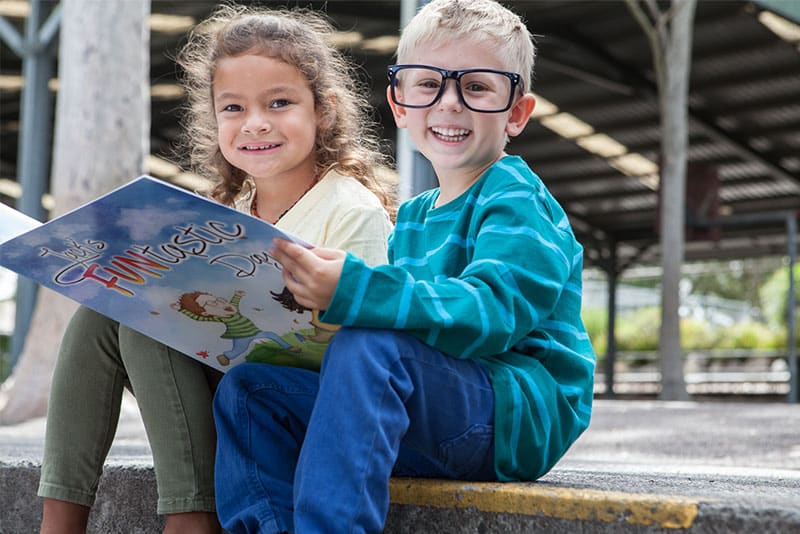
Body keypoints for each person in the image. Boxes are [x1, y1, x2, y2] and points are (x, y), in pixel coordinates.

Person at [212, 0, 596, 532]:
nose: (450, 104)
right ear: (399, 105)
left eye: (478, 88)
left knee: (372, 343)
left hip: (511, 415)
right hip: (442, 409)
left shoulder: (516, 197)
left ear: (516, 113)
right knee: (252, 388)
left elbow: (493, 312)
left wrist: (355, 291)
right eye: (428, 85)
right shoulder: (413, 215)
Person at [37, 5, 394, 534]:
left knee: (145, 317)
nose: (255, 123)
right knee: (104, 312)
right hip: (234, 381)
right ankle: (59, 519)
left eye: (280, 102)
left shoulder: (350, 208)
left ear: (323, 111)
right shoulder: (235, 210)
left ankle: (191, 517)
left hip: (297, 407)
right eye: (233, 107)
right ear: (215, 117)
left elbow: (372, 346)